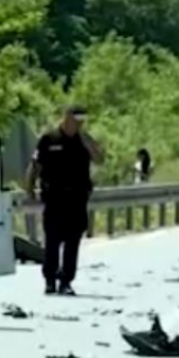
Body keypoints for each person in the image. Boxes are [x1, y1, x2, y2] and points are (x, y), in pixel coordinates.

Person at [26, 105, 105, 296]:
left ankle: (66, 280)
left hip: (77, 199)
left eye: (82, 120)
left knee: (72, 241)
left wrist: (88, 141)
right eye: (76, 118)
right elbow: (35, 165)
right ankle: (50, 280)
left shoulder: (84, 140)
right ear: (66, 117)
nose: (79, 123)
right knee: (52, 240)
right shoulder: (49, 139)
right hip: (54, 198)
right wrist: (30, 188)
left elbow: (100, 159)